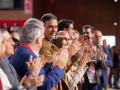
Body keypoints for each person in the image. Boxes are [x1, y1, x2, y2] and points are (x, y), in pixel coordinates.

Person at [11, 18, 68, 90]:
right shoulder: (31, 57)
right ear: (38, 39)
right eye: (42, 37)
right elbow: (44, 86)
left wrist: (50, 66)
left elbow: (41, 78)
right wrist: (59, 67)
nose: (43, 39)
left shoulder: (20, 50)